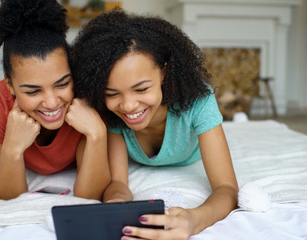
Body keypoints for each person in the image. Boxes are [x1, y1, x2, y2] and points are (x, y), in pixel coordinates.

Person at [71, 9, 238, 239]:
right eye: (112, 93)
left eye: (141, 89)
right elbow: (118, 182)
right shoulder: (110, 112)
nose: (128, 106)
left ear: (163, 72)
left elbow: (227, 188)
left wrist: (193, 219)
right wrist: (117, 205)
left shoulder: (199, 101)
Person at [0, 0, 110, 201]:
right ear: (10, 85)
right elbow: (3, 195)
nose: (51, 102)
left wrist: (97, 133)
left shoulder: (85, 96)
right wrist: (13, 148)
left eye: (62, 84)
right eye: (33, 91)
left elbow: (90, 195)